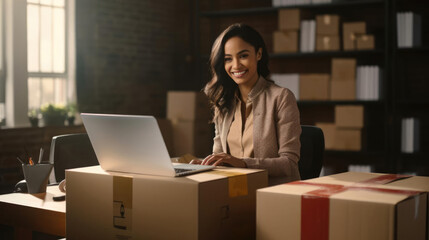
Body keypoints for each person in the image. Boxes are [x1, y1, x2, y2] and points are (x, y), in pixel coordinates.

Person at [191, 23, 301, 185]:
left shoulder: (281, 97)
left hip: (271, 193)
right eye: (228, 59)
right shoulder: (223, 102)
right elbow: (219, 156)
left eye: (243, 56)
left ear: (258, 53)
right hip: (234, 191)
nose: (236, 65)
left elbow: (289, 163)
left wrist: (243, 163)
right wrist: (205, 165)